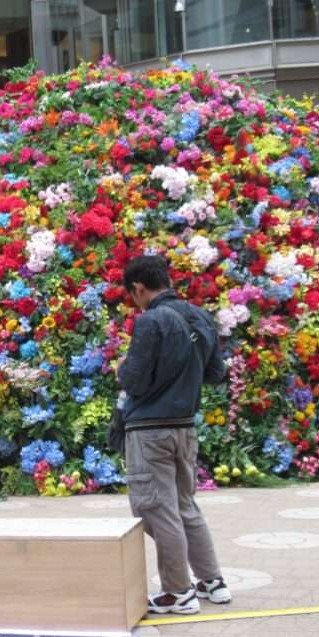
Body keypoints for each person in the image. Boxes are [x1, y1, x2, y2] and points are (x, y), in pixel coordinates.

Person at [118, 255, 230, 615]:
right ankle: (211, 580)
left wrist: (122, 368)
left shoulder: (151, 321)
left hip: (150, 430)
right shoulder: (199, 316)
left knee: (156, 510)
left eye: (133, 295)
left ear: (138, 288)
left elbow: (133, 380)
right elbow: (216, 374)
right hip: (185, 426)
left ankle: (177, 592)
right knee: (184, 506)